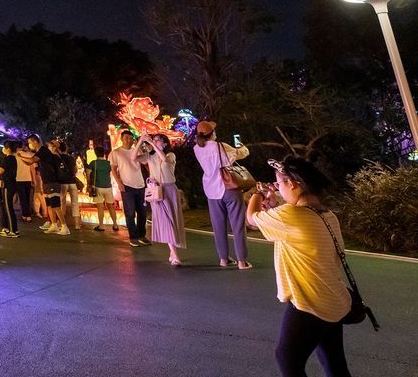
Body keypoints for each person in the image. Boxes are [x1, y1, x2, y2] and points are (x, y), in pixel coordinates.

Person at [246, 157, 354, 377]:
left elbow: (251, 218)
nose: (278, 189)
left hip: (309, 302)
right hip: (334, 298)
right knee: (334, 362)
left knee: (287, 360)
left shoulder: (291, 215)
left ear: (293, 184)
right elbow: (295, 230)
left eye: (279, 184)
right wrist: (274, 206)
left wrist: (257, 192)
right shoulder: (328, 215)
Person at [194, 120, 252, 269]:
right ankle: (242, 261)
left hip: (211, 190)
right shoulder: (220, 146)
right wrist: (241, 146)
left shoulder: (197, 148)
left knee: (218, 226)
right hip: (229, 188)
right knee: (238, 225)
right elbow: (242, 154)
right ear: (212, 133)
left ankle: (223, 259)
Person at [140, 133, 186, 265]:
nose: (154, 141)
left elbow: (164, 159)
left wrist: (151, 143)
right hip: (157, 191)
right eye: (153, 140)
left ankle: (172, 252)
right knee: (165, 221)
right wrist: (141, 141)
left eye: (158, 140)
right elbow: (134, 158)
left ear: (165, 143)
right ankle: (174, 253)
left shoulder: (170, 155)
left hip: (170, 190)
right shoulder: (150, 156)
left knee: (173, 220)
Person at [110, 128, 149, 246]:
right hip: (127, 186)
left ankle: (142, 235)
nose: (129, 140)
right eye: (126, 138)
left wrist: (138, 146)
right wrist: (119, 183)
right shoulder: (116, 152)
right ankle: (133, 237)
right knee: (130, 212)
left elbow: (145, 161)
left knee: (142, 212)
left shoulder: (135, 150)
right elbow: (113, 169)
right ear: (121, 139)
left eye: (131, 138)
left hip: (140, 185)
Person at [35, 137, 71, 235]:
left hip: (53, 182)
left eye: (50, 145)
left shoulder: (56, 157)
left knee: (55, 205)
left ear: (55, 147)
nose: (48, 147)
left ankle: (64, 226)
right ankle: (53, 224)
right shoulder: (50, 156)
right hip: (47, 182)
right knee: (49, 205)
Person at [87, 141, 119, 231]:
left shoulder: (93, 163)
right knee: (110, 206)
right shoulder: (108, 163)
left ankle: (101, 225)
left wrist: (89, 184)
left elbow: (88, 174)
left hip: (97, 187)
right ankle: (115, 225)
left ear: (95, 153)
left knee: (100, 207)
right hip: (108, 187)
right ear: (104, 153)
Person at [0, 140, 22, 237]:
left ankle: (13, 230)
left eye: (5, 147)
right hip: (10, 184)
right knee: (5, 207)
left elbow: (0, 171)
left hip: (8, 185)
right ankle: (7, 228)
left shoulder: (8, 158)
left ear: (8, 149)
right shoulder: (12, 158)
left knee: (8, 208)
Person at [55, 138, 82, 232]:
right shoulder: (71, 158)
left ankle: (61, 223)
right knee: (75, 203)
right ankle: (77, 224)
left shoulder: (58, 158)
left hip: (62, 182)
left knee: (62, 203)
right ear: (66, 149)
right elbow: (75, 170)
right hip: (72, 182)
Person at [16, 136, 37, 221]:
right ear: (23, 146)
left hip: (18, 179)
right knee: (28, 197)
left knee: (22, 198)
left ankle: (25, 214)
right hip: (28, 179)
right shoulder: (30, 155)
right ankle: (28, 215)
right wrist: (34, 180)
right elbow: (32, 169)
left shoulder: (14, 156)